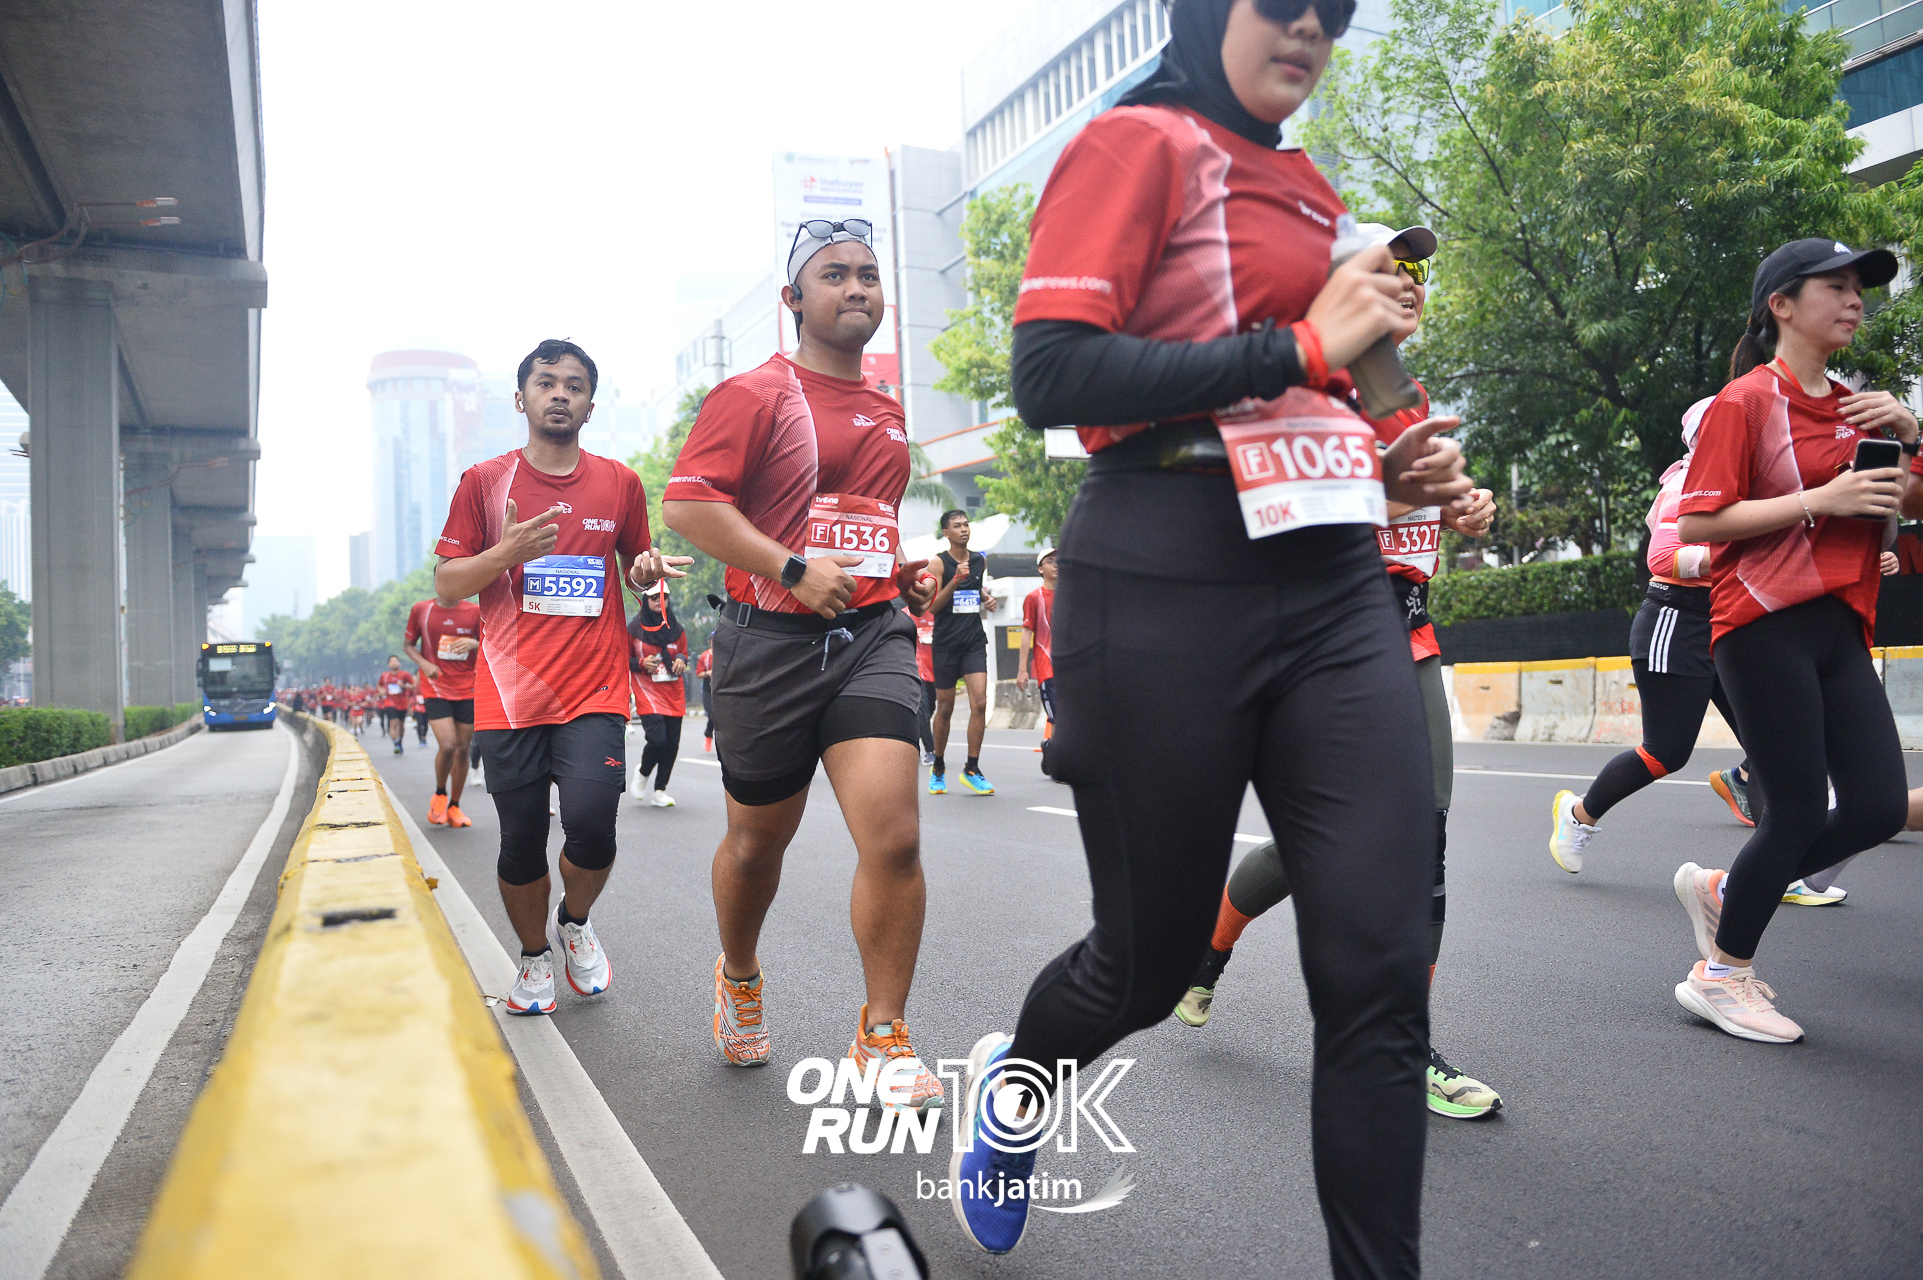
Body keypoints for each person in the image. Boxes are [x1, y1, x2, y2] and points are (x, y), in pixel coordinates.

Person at [945, 2, 1473, 1272]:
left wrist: (1396, 455)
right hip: (1163, 570)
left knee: (1381, 968)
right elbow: (1050, 374)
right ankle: (1018, 1093)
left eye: (1333, 12)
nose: (1310, 27)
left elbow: (1334, 386)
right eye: (1279, 3)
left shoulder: (1313, 188)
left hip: (1337, 581)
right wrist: (1300, 343)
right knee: (1147, 963)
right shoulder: (1137, 143)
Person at [1170, 225, 1505, 1121]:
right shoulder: (1298, 389)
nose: (1408, 281)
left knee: (1422, 835)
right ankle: (1207, 948)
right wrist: (1402, 492)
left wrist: (1464, 507)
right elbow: (1281, 511)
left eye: (1416, 270)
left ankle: (1406, 1044)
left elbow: (1418, 509)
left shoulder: (1409, 395)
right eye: (1386, 268)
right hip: (1322, 643)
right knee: (1324, 841)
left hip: (1408, 634)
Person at [663, 213, 945, 1112]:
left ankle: (882, 1033)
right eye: (834, 274)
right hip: (767, 646)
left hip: (870, 636)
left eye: (868, 274)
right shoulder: (755, 394)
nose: (856, 287)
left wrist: (900, 569)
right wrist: (789, 569)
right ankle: (739, 974)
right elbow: (687, 506)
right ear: (793, 297)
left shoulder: (887, 407)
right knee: (757, 844)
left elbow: (855, 520)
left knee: (894, 836)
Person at [1668, 238, 1917, 1044]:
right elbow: (1698, 522)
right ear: (1779, 305)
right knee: (1798, 810)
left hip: (1841, 625)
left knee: (1877, 807)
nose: (1853, 300)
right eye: (1834, 286)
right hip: (1761, 624)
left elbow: (1904, 504)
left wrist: (1909, 435)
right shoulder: (1742, 402)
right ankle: (1719, 977)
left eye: (1858, 288)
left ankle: (1726, 890)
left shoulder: (1858, 406)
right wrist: (1821, 498)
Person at [434, 338, 686, 1017]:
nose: (559, 394)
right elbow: (448, 582)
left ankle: (574, 922)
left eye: (574, 386)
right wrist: (505, 552)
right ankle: (533, 958)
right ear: (521, 398)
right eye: (546, 383)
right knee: (520, 840)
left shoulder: (620, 482)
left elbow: (638, 568)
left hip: (592, 689)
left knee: (592, 827)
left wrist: (644, 574)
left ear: (590, 405)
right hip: (509, 693)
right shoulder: (483, 483)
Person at [1548, 400, 1762, 870]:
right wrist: (1748, 556)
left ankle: (1787, 861)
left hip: (1729, 621)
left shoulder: (1752, 483)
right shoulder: (1687, 481)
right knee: (1666, 752)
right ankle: (1578, 816)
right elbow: (1663, 558)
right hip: (1676, 622)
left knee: (1772, 742)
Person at [926, 510, 998, 795]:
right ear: (946, 533)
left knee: (979, 703)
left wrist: (986, 598)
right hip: (946, 644)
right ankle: (938, 766)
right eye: (957, 526)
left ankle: (971, 768)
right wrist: (955, 579)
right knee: (945, 708)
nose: (964, 529)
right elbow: (933, 606)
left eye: (966, 524)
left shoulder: (980, 560)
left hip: (973, 642)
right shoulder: (938, 562)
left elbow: (975, 589)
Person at [404, 591, 483, 828]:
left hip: (468, 685)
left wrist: (475, 643)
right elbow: (408, 645)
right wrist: (424, 664)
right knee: (448, 745)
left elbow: (492, 642)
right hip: (435, 683)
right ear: (438, 581)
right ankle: (440, 794)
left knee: (463, 749)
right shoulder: (422, 609)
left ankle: (455, 806)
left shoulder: (475, 611)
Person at [627, 582, 689, 807]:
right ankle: (643, 772)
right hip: (648, 691)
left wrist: (680, 659)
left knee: (671, 744)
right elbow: (622, 658)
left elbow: (683, 652)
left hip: (673, 691)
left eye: (664, 597)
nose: (659, 602)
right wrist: (641, 663)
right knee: (657, 740)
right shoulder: (634, 630)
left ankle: (660, 789)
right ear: (646, 600)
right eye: (654, 597)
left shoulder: (677, 628)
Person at [1014, 547, 1057, 771]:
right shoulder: (1034, 598)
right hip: (1047, 667)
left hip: (1070, 667)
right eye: (1050, 561)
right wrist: (1022, 670)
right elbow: (1027, 633)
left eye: (1059, 560)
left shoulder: (1070, 596)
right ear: (1041, 569)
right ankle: (1058, 757)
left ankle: (1052, 748)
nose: (1056, 565)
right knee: (1057, 716)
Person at [913, 607, 937, 766]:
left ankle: (912, 731)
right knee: (923, 709)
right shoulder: (905, 615)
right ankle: (930, 750)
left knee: (930, 709)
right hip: (915, 669)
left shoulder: (938, 613)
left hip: (935, 669)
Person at [376, 657, 414, 755]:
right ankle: (396, 743)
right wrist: (382, 691)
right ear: (388, 664)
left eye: (396, 661)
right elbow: (379, 685)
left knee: (401, 725)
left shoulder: (405, 674)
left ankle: (399, 742)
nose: (394, 663)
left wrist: (404, 686)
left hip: (402, 703)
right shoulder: (385, 675)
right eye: (392, 662)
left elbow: (413, 685)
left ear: (399, 663)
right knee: (394, 723)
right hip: (389, 702)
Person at [695, 644, 715, 752]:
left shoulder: (724, 653)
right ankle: (708, 735)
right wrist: (708, 673)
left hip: (721, 687)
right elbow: (698, 673)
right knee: (712, 713)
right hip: (708, 688)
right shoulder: (705, 656)